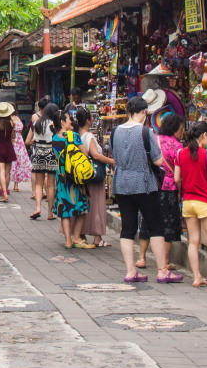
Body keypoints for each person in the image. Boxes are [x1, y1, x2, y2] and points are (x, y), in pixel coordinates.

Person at [111, 95, 182, 283]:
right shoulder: (145, 132)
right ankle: (162, 270)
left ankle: (130, 271)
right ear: (144, 112)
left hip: (122, 183)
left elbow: (116, 158)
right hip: (144, 183)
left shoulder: (115, 131)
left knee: (127, 228)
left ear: (128, 111)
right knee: (155, 225)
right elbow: (157, 160)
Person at [174, 121, 207, 289]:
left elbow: (176, 179)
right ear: (204, 136)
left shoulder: (180, 153)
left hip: (188, 202)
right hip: (204, 201)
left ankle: (197, 277)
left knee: (193, 241)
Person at [137, 114, 185, 270]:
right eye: (181, 128)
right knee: (168, 223)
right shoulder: (178, 147)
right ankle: (164, 261)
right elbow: (179, 174)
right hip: (169, 188)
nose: (182, 131)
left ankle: (141, 257)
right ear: (175, 128)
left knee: (147, 220)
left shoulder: (154, 139)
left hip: (152, 185)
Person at [52, 109, 92, 248]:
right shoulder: (73, 136)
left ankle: (68, 240)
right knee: (82, 207)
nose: (72, 121)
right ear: (62, 122)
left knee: (64, 209)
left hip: (62, 175)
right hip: (75, 176)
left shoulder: (54, 138)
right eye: (69, 119)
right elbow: (85, 152)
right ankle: (76, 236)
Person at [77, 108, 115, 247]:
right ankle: (97, 237)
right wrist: (112, 161)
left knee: (85, 204)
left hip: (82, 175)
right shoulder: (89, 137)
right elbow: (96, 155)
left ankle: (81, 234)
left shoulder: (77, 135)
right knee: (97, 204)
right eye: (91, 117)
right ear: (87, 121)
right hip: (94, 175)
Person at [26, 102, 60, 220]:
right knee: (51, 185)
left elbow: (27, 141)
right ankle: (50, 213)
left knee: (39, 184)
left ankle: (38, 208)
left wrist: (36, 142)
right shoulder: (55, 126)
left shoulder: (36, 124)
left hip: (38, 154)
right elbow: (59, 141)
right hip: (51, 155)